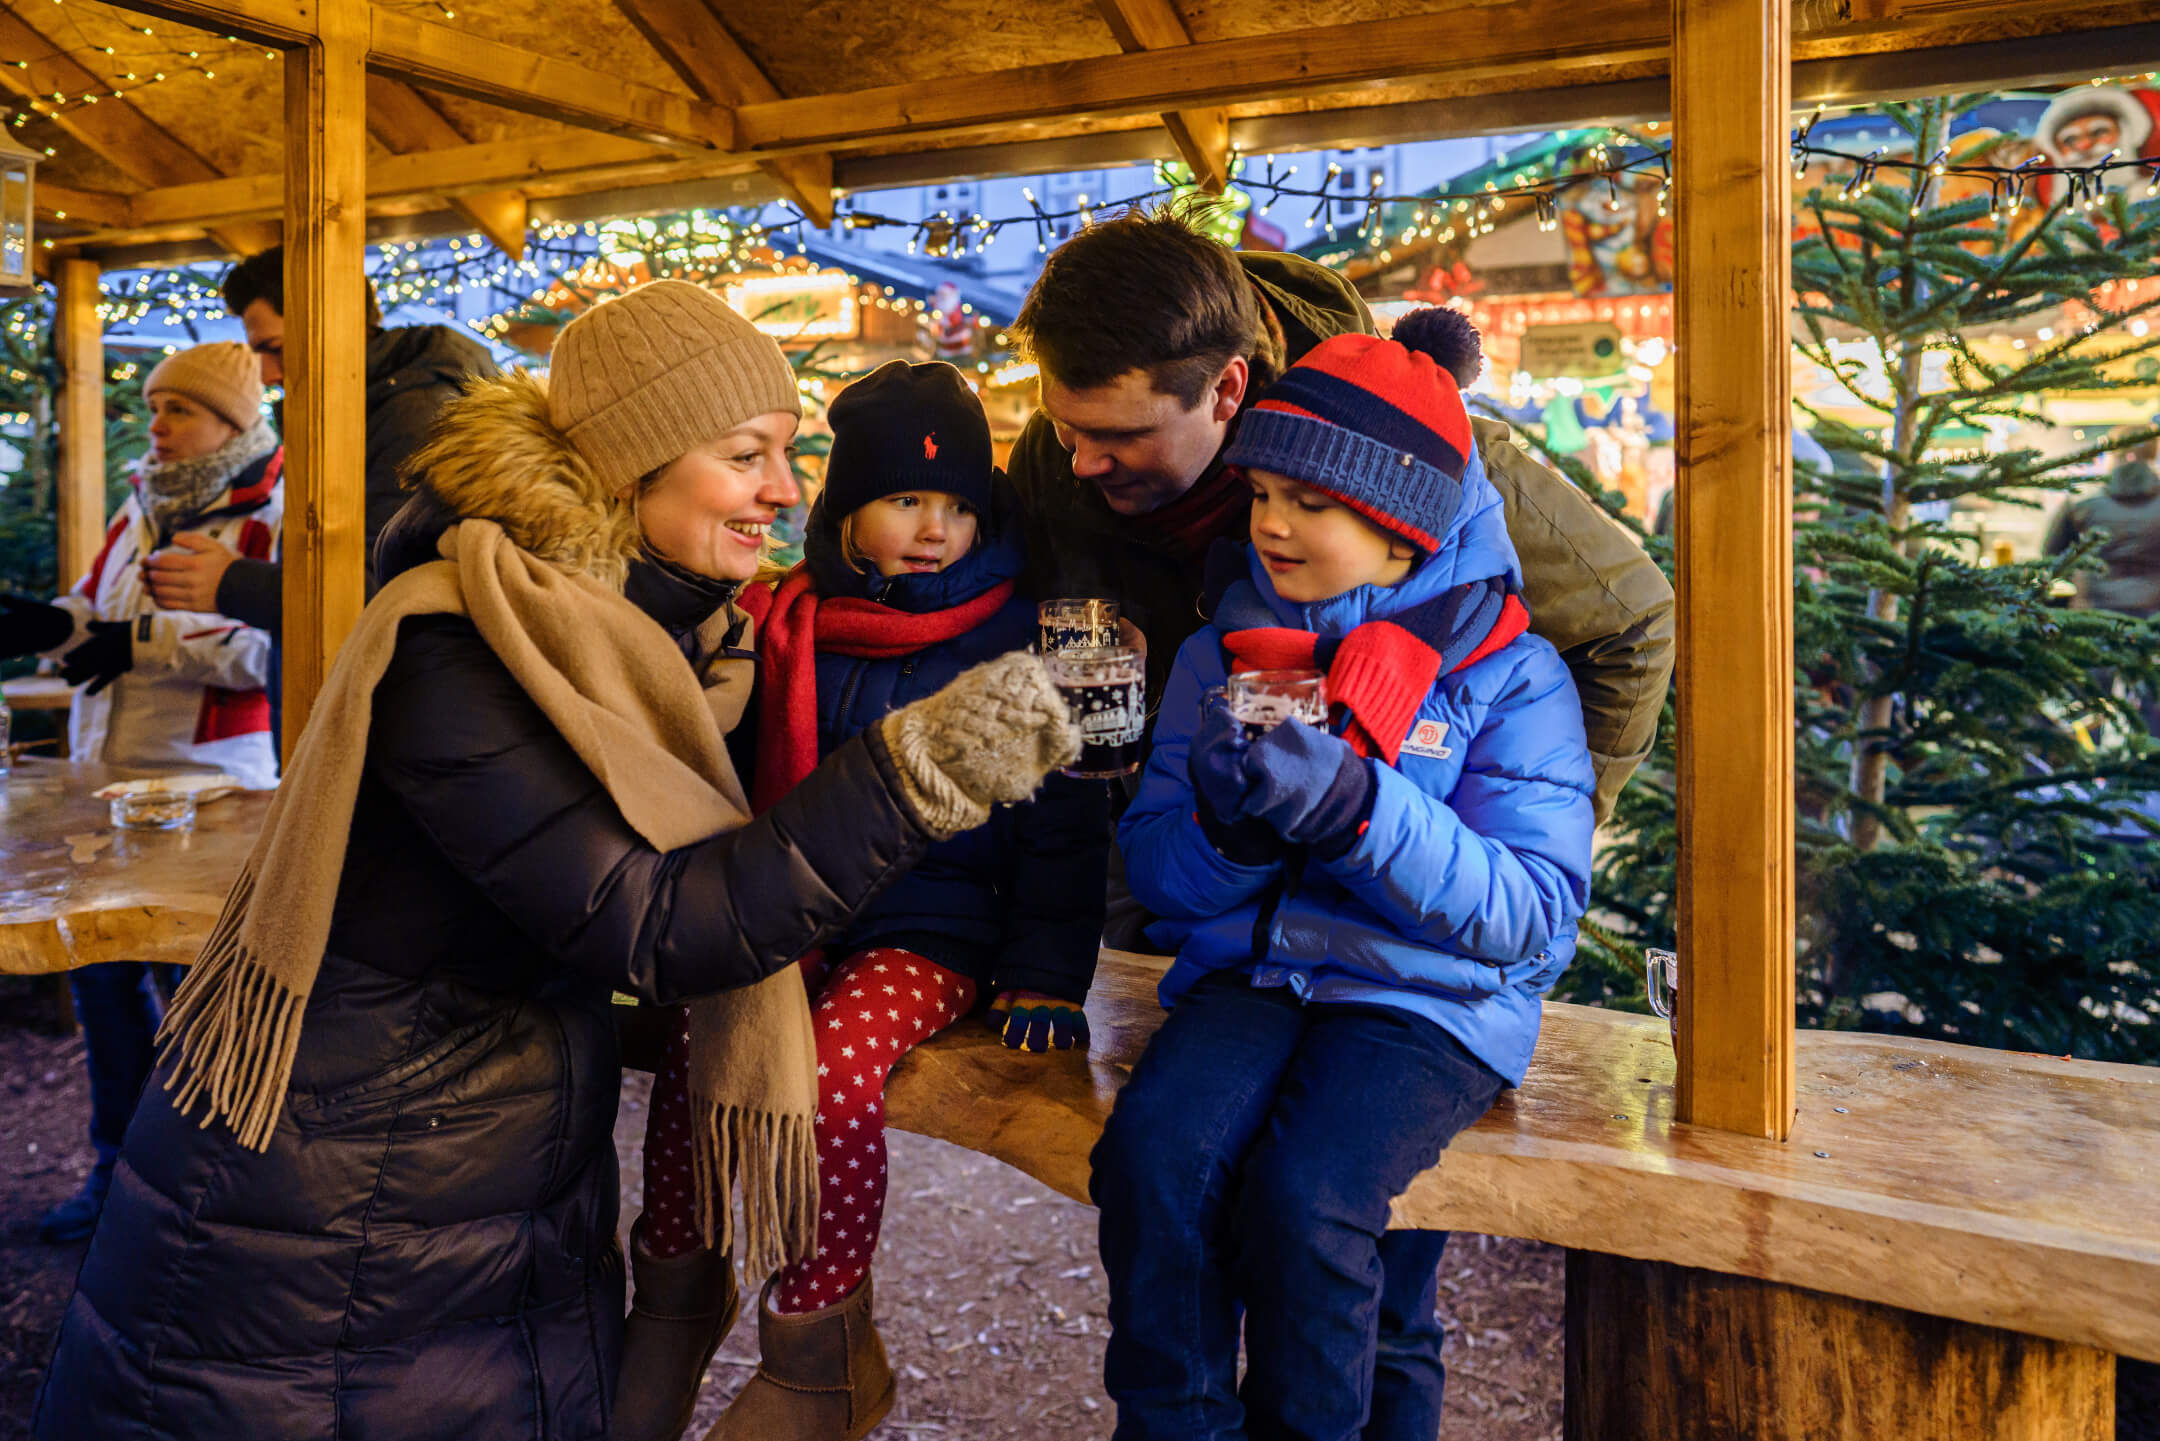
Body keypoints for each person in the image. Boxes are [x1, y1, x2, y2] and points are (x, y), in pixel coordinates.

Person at [33, 280, 1081, 1441]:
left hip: (469, 1198)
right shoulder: (464, 648)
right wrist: (928, 758)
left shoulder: (659, 642)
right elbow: (659, 925)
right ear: (634, 468)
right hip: (331, 1233)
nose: (787, 491)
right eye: (749, 455)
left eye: (791, 456)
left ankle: (733, 1317)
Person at [1004, 204, 1670, 1436]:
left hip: (1426, 970)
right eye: (1062, 425)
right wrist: (1202, 834)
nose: (1079, 459)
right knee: (1170, 1168)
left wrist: (1474, 849)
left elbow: (1630, 627)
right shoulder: (1159, 560)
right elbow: (1084, 697)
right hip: (1247, 949)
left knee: (1341, 1234)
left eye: (1117, 435)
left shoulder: (1435, 467)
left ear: (1231, 393)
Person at [1093, 318, 1595, 1441]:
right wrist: (1235, 829)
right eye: (1262, 490)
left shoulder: (1509, 675)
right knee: (1154, 1157)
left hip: (1426, 1001)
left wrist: (1363, 811)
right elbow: (1166, 879)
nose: (1269, 522)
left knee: (1309, 1200)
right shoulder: (1215, 656)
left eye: (1309, 502)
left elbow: (1534, 918)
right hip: (1257, 976)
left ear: (1402, 528)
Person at [616, 360, 1111, 1441]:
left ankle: (819, 1332)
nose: (933, 527)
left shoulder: (1026, 636)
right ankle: (674, 1285)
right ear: (847, 512)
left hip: (936, 924)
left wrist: (1043, 971)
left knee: (836, 1064)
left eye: (956, 504)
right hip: (793, 911)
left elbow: (1062, 828)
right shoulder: (786, 620)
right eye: (903, 500)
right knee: (702, 1044)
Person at [0, 340, 282, 1244]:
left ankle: (209, 1198)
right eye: (155, 407)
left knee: (197, 998)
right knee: (103, 988)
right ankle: (113, 1177)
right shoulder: (139, 507)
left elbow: (268, 646)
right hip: (110, 783)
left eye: (178, 411)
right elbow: (95, 606)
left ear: (231, 424)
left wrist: (142, 646)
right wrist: (47, 623)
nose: (154, 425)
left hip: (211, 792)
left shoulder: (270, 511)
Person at [139, 246, 500, 738]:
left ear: (335, 322)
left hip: (396, 723)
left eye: (274, 348)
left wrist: (233, 584)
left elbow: (392, 589)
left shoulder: (413, 414)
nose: (266, 375)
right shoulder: (352, 411)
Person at [2044, 431, 2160, 620]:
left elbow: (2051, 557)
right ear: (2153, 454)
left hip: (2097, 617)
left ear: (2114, 455)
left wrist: (2081, 580)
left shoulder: (2081, 501)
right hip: (2156, 618)